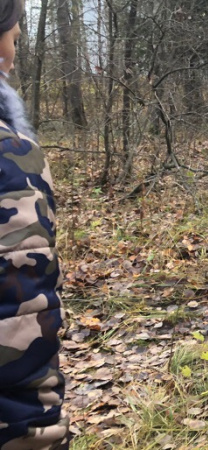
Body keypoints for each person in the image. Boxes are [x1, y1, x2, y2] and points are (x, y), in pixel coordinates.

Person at [0, 0, 70, 447]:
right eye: (13, 38)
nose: (13, 51)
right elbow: (17, 321)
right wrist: (39, 435)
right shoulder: (12, 158)